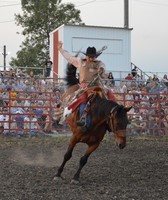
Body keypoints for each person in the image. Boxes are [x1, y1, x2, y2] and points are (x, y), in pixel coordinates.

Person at [57, 41, 115, 130]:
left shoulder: (99, 63)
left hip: (98, 86)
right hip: (85, 87)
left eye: (92, 57)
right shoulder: (80, 62)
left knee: (110, 94)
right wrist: (60, 49)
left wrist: (101, 70)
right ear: (86, 56)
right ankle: (84, 121)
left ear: (95, 57)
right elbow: (69, 58)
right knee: (83, 99)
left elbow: (103, 69)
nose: (91, 59)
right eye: (89, 57)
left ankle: (115, 115)